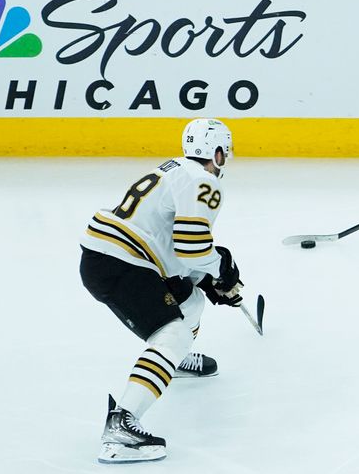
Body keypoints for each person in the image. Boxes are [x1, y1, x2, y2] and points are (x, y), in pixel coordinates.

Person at [79, 118, 244, 463]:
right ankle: (120, 427)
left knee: (192, 300)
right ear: (217, 152)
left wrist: (205, 280)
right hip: (121, 263)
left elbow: (167, 243)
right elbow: (192, 247)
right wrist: (221, 271)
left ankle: (174, 362)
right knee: (175, 334)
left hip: (118, 256)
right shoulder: (204, 180)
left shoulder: (174, 169)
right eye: (224, 152)